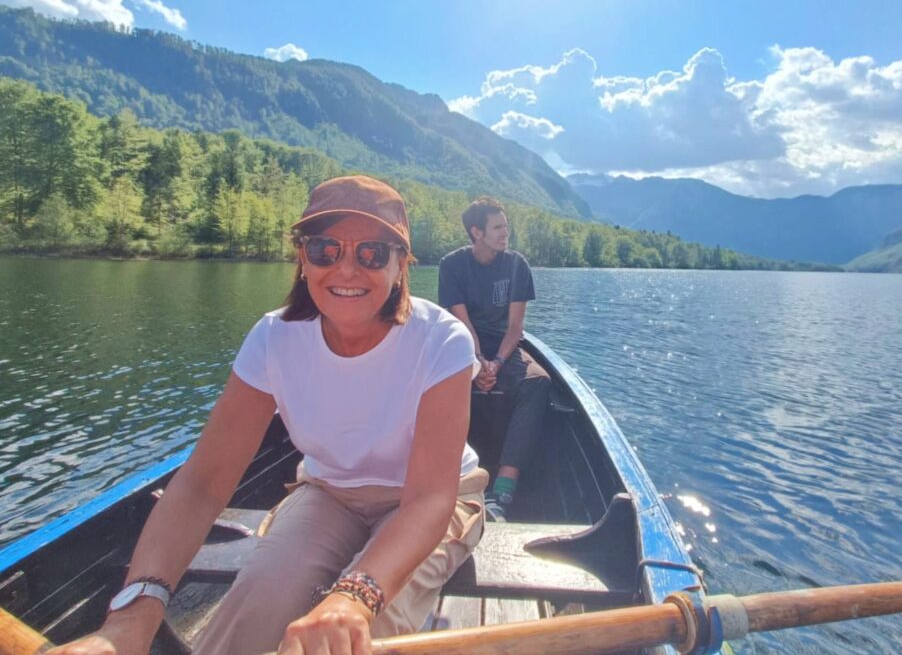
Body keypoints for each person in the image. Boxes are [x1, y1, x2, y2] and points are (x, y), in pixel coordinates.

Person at [50, 175, 485, 655]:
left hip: (430, 502)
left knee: (353, 637)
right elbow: (202, 483)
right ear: (302, 257)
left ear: (402, 264)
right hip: (329, 493)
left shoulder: (440, 340)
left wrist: (353, 597)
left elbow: (428, 498)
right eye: (325, 249)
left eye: (371, 254)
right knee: (257, 606)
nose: (346, 269)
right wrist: (130, 619)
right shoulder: (273, 338)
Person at [437, 197, 550, 522]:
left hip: (505, 346)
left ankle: (502, 490)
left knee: (538, 382)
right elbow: (461, 323)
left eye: (506, 226)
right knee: (434, 382)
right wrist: (476, 363)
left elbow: (516, 327)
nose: (505, 233)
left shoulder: (517, 265)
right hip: (462, 343)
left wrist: (496, 363)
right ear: (476, 232)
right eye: (498, 227)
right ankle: (450, 478)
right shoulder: (452, 265)